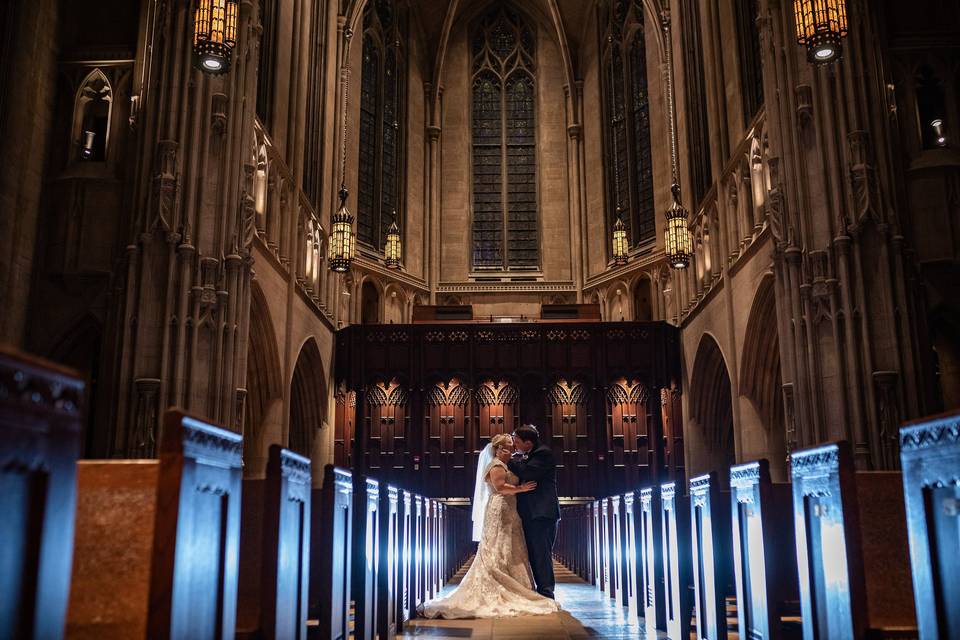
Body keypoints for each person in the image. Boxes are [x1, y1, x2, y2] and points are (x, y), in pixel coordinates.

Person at [420, 434, 561, 619]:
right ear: (498, 449)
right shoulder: (495, 465)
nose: (512, 450)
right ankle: (498, 583)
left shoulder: (511, 462)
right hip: (500, 508)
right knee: (497, 546)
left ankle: (520, 585)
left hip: (512, 511)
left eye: (513, 446)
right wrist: (520, 488)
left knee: (511, 548)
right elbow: (500, 487)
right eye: (509, 447)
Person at [508, 424, 560, 599]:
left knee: (541, 553)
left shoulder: (543, 453)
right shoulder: (531, 453)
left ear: (528, 442)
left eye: (516, 441)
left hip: (541, 513)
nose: (514, 445)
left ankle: (546, 591)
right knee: (535, 552)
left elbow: (528, 472)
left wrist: (508, 460)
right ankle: (543, 590)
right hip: (533, 513)